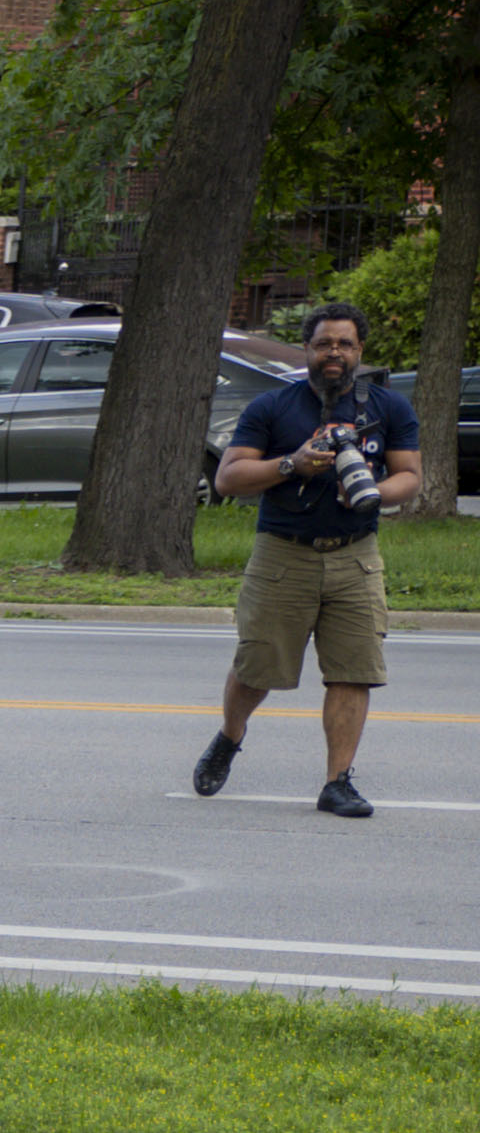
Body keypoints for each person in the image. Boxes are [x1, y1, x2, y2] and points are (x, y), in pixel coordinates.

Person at [198, 301, 420, 821]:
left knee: (354, 672)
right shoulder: (273, 407)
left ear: (360, 350)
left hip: (356, 557)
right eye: (324, 344)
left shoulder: (389, 408)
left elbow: (410, 475)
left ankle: (337, 782)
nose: (335, 353)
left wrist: (372, 493)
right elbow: (228, 478)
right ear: (309, 350)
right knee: (257, 670)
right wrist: (291, 463)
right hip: (284, 556)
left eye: (345, 343)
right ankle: (230, 736)